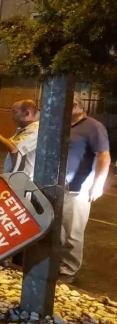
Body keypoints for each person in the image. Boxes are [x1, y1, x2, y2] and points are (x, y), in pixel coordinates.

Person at [60, 93, 111, 283]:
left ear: (74, 106)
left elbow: (104, 156)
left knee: (73, 231)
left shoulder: (94, 127)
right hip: (57, 186)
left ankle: (68, 270)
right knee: (58, 230)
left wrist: (98, 185)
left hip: (78, 188)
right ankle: (57, 263)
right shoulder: (63, 125)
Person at [0, 100, 39, 178]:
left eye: (15, 112)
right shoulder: (24, 129)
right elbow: (4, 148)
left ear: (27, 113)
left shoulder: (35, 130)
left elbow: (13, 148)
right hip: (14, 178)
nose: (12, 117)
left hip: (23, 181)